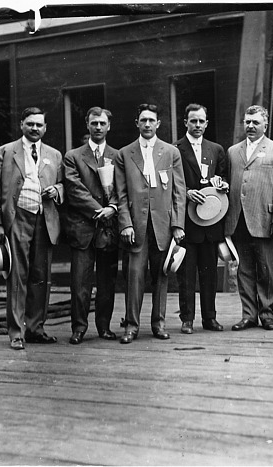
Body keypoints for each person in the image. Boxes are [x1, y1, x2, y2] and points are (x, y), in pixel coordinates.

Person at [0, 107, 64, 350]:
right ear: (22, 124)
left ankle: (35, 329)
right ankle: (16, 332)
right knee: (17, 276)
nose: (34, 128)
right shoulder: (6, 152)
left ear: (45, 128)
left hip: (44, 218)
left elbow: (64, 184)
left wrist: (57, 191)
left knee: (41, 276)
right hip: (17, 216)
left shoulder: (54, 154)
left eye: (39, 125)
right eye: (30, 124)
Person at [115, 103, 186, 343]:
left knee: (162, 275)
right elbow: (120, 194)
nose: (147, 124)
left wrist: (177, 224)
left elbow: (179, 191)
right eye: (143, 120)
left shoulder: (170, 152)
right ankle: (131, 326)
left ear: (158, 124)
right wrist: (125, 223)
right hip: (136, 225)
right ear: (137, 123)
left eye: (151, 120)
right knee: (134, 276)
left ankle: (159, 323)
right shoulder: (124, 154)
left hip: (162, 225)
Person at [225, 105, 273, 331]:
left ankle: (266, 314)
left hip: (265, 219)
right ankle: (248, 315)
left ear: (265, 124)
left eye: (255, 122)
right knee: (244, 269)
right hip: (238, 219)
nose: (250, 126)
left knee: (267, 269)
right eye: (247, 122)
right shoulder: (233, 151)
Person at [63, 107, 120, 345]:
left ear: (109, 126)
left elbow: (123, 189)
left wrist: (113, 207)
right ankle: (79, 328)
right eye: (94, 123)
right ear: (87, 124)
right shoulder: (73, 156)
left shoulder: (118, 156)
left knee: (107, 280)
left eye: (102, 123)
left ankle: (104, 326)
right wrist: (99, 209)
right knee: (80, 282)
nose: (98, 127)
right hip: (84, 227)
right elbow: (74, 189)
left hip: (108, 226)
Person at [173, 103, 228, 334]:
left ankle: (210, 318)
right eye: (193, 121)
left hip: (210, 221)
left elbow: (224, 177)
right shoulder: (175, 149)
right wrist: (186, 193)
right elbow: (172, 184)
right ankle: (187, 319)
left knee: (209, 272)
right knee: (186, 274)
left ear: (207, 123)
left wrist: (223, 184)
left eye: (201, 121)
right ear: (185, 122)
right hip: (187, 222)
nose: (197, 125)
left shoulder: (216, 149)